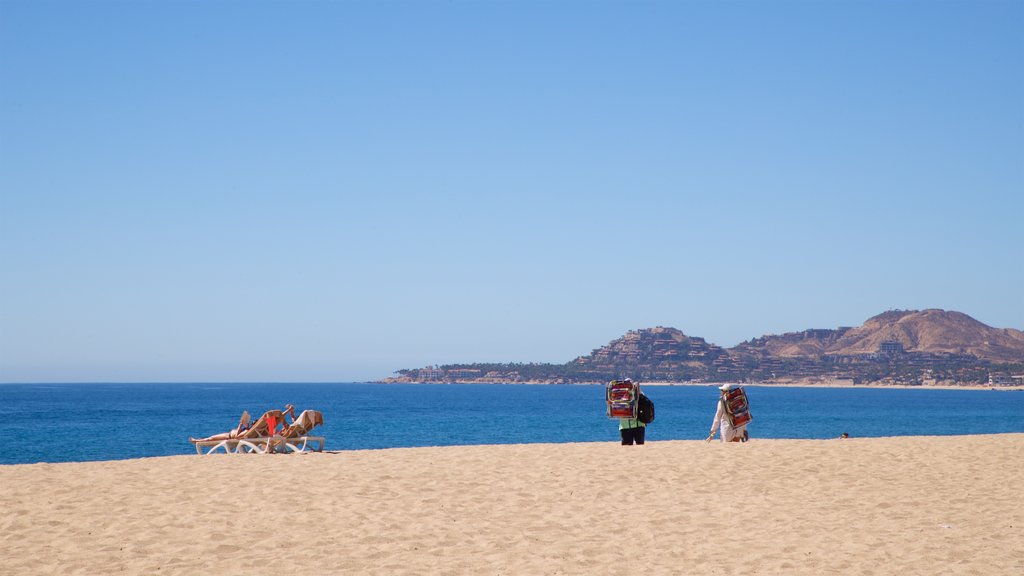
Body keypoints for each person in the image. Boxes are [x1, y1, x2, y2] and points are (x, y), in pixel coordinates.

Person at [618, 379, 646, 445]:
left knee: (640, 446)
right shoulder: (619, 396)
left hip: (637, 425)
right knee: (626, 447)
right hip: (626, 426)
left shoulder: (639, 394)